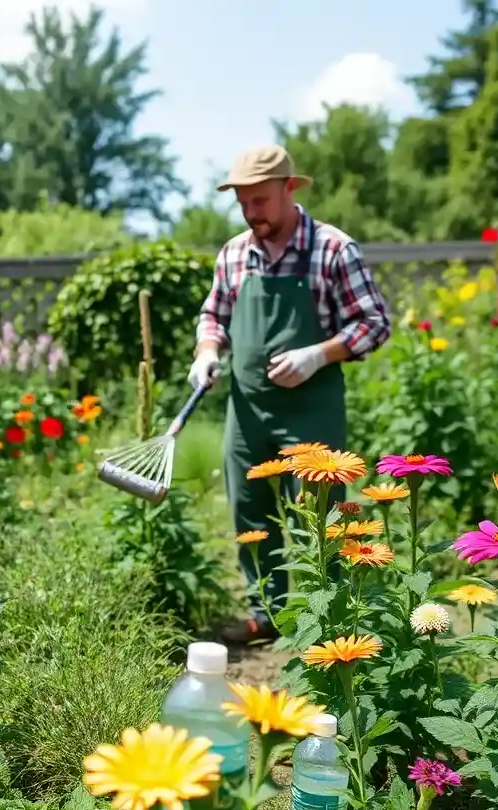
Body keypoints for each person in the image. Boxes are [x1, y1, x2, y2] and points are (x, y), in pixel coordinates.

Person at [188, 145, 391, 645]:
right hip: (248, 407)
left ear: (290, 188)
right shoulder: (234, 253)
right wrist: (207, 351)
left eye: (260, 200)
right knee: (250, 510)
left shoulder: (333, 249)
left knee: (320, 517)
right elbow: (214, 316)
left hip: (310, 409)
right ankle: (267, 615)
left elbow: (375, 322)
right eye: (243, 203)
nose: (251, 213)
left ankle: (335, 623)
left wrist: (319, 354)